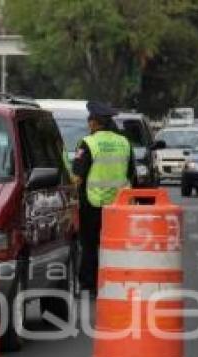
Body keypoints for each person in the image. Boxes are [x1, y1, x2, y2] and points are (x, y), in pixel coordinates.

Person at [72, 101, 135, 295]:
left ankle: (89, 284)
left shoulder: (88, 143)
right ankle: (117, 280)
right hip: (119, 204)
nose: (88, 123)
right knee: (116, 245)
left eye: (89, 120)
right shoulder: (124, 142)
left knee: (89, 244)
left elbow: (77, 177)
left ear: (95, 123)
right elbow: (131, 173)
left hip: (92, 203)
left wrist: (72, 199)